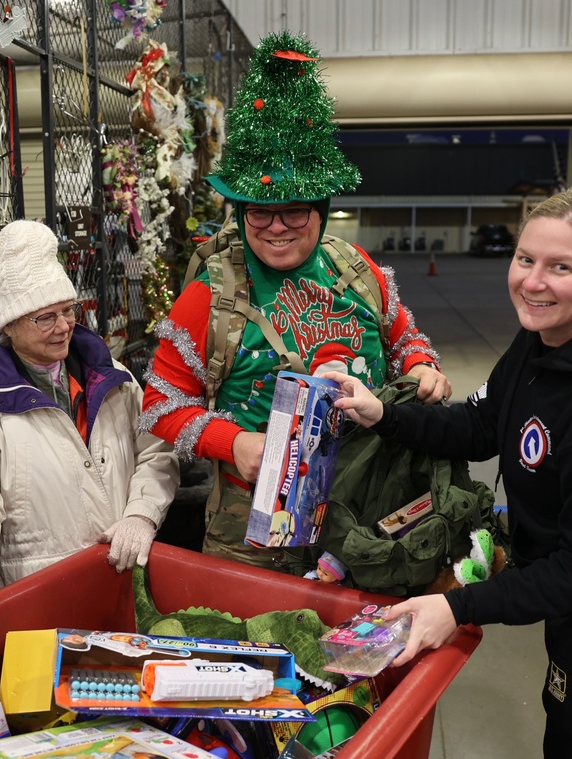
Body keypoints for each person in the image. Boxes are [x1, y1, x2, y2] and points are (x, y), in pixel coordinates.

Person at [327, 188, 572, 759]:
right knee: (567, 755)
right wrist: (381, 414)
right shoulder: (541, 345)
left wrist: (459, 606)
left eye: (560, 267)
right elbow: (479, 427)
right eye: (525, 259)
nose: (533, 282)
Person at [141, 31, 450, 570]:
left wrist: (424, 368)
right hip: (255, 536)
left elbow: (406, 342)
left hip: (371, 521)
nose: (276, 227)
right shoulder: (208, 295)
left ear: (322, 209)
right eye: (259, 211)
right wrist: (233, 443)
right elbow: (162, 404)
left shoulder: (357, 271)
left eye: (295, 211)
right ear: (239, 212)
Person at [0, 219, 179, 608]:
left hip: (118, 584)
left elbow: (156, 451)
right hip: (36, 598)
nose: (63, 327)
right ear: (9, 324)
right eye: (45, 317)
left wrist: (142, 515)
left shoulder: (111, 377)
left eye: (68, 310)